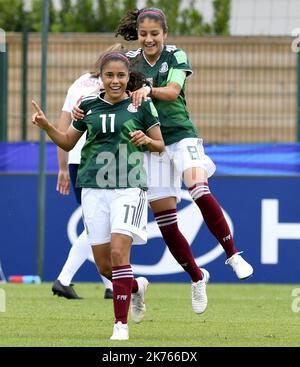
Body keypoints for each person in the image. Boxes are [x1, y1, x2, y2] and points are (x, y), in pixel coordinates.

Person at [114, 8, 253, 311]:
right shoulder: (131, 61)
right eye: (144, 34)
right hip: (152, 144)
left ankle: (232, 254)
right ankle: (197, 277)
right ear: (138, 35)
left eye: (155, 33)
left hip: (181, 136)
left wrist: (147, 90)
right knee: (166, 222)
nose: (149, 39)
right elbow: (112, 88)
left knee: (199, 188)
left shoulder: (176, 56)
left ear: (164, 33)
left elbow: (174, 90)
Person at [32, 51, 165, 340]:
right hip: (93, 189)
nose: (115, 81)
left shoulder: (141, 105)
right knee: (106, 266)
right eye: (110, 75)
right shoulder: (87, 105)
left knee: (119, 254)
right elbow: (68, 142)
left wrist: (147, 140)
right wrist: (46, 127)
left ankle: (120, 325)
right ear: (101, 79)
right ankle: (136, 286)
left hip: (129, 188)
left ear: (129, 77)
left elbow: (160, 145)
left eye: (121, 76)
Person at [53, 45, 126, 300]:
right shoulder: (115, 89)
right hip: (100, 161)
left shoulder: (79, 83)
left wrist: (62, 166)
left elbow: (64, 125)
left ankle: (110, 285)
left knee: (96, 223)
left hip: (75, 159)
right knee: (98, 225)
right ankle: (64, 278)